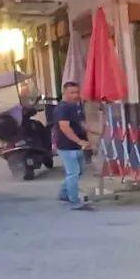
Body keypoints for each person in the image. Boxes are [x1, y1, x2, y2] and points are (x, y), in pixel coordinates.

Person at [53, 81, 92, 211]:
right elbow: (64, 127)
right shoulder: (62, 108)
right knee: (73, 173)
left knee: (77, 172)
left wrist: (94, 133)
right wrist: (79, 141)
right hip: (67, 146)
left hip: (77, 146)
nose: (75, 95)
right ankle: (74, 201)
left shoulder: (75, 106)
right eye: (72, 92)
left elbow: (80, 124)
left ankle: (64, 194)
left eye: (77, 92)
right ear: (64, 93)